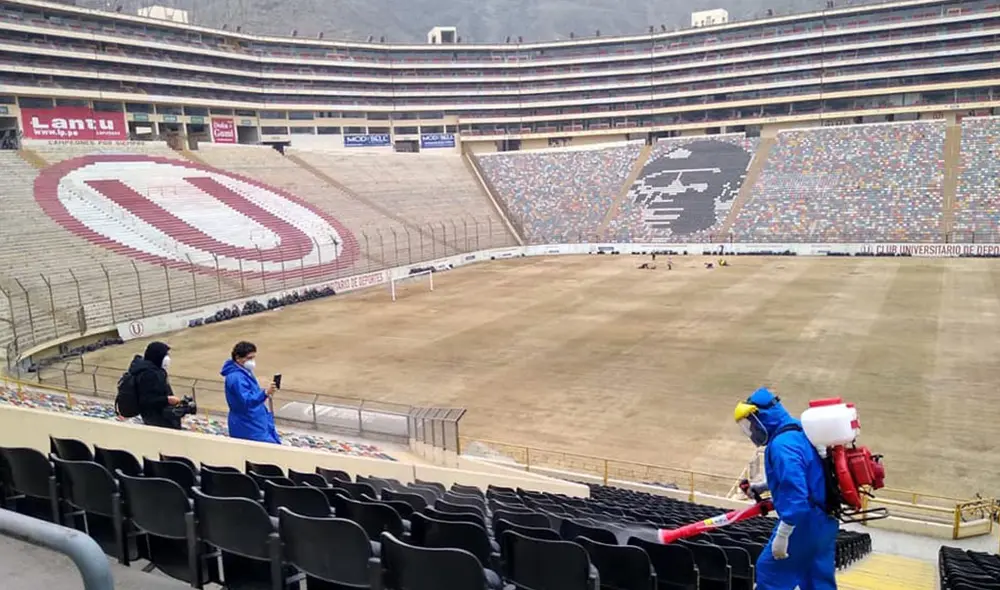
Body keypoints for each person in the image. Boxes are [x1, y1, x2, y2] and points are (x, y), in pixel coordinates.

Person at [733, 387, 838, 590]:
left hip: (803, 523)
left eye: (752, 424)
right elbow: (808, 471)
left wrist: (783, 535)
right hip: (825, 521)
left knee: (770, 573)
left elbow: (797, 495)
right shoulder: (798, 429)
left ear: (762, 417)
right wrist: (763, 486)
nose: (752, 431)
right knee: (817, 580)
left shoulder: (781, 445)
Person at [221, 341, 280, 444]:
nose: (252, 361)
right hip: (248, 423)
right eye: (249, 358)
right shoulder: (236, 378)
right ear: (238, 358)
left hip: (255, 420)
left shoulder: (244, 372)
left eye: (253, 357)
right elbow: (247, 400)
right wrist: (265, 393)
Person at [127, 341, 181, 429]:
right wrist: (168, 400)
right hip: (157, 419)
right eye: (165, 354)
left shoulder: (149, 370)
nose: (167, 358)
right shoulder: (149, 374)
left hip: (155, 416)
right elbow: (146, 400)